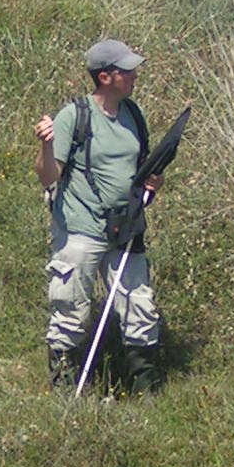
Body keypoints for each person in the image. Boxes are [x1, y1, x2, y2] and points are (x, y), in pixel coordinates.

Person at [33, 38, 164, 394]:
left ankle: (145, 388)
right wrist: (46, 143)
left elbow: (142, 168)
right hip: (80, 228)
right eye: (128, 71)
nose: (135, 75)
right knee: (71, 308)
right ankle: (65, 388)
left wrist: (153, 181)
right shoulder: (73, 116)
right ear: (106, 77)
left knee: (140, 306)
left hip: (127, 228)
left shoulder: (133, 114)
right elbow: (48, 176)